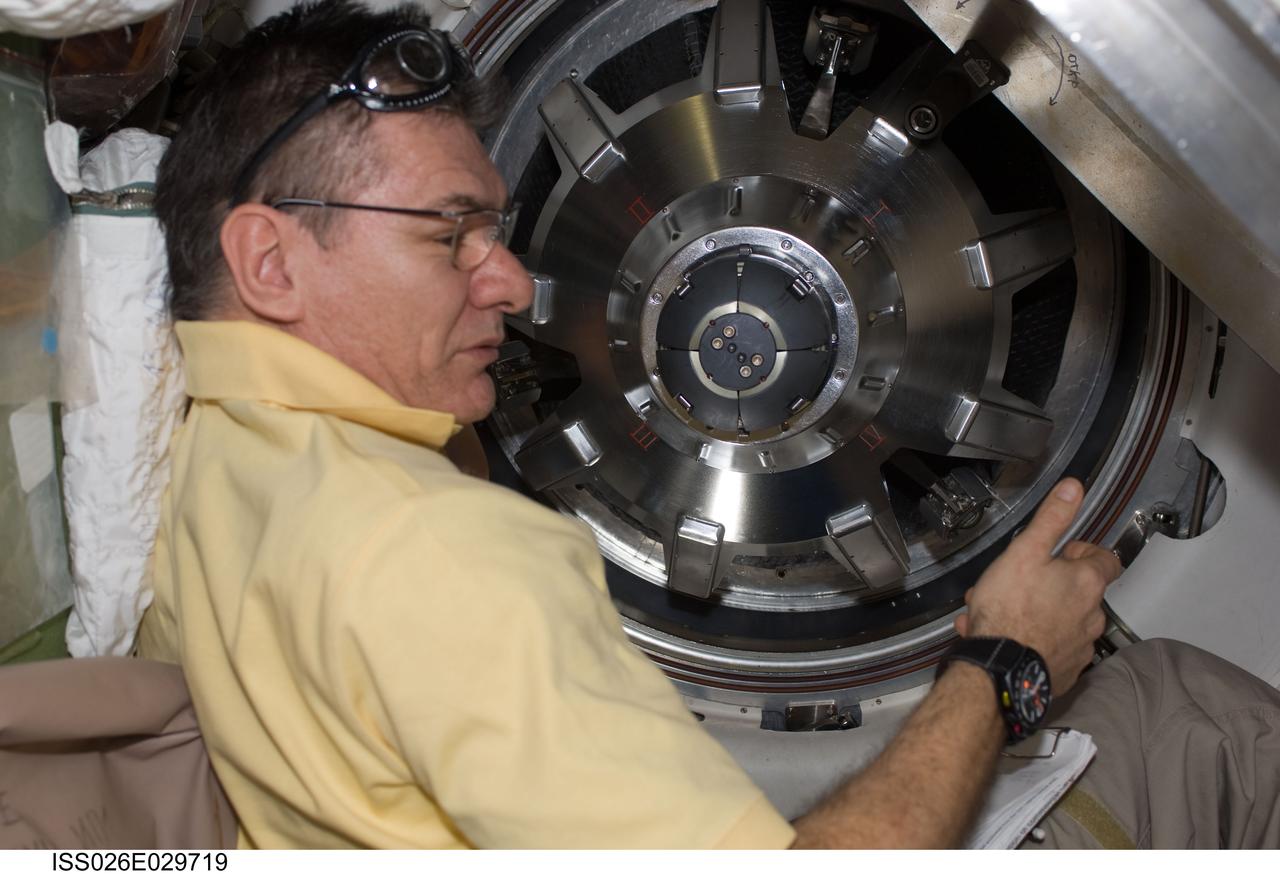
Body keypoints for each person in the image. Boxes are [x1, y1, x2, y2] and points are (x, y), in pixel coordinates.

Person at [136, 0, 1280, 849]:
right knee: (1212, 722)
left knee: (1154, 695)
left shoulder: (219, 455)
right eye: (449, 236)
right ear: (269, 260)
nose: (508, 282)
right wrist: (1004, 662)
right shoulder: (439, 561)